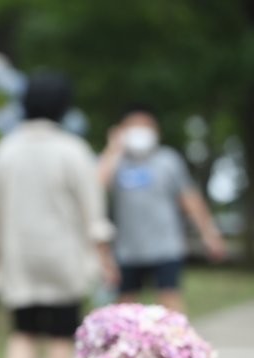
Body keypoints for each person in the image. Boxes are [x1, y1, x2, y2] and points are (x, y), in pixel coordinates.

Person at [0, 72, 118, 358]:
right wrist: (104, 257)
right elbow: (93, 213)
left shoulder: (5, 151)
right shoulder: (72, 150)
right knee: (61, 333)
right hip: (63, 256)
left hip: (18, 255)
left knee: (22, 329)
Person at [97, 104, 227, 311]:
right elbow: (95, 187)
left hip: (165, 247)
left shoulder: (168, 160)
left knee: (170, 303)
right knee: (125, 308)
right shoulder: (117, 162)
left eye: (145, 126)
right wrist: (113, 149)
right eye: (133, 127)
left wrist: (209, 234)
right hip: (128, 250)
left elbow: (190, 199)